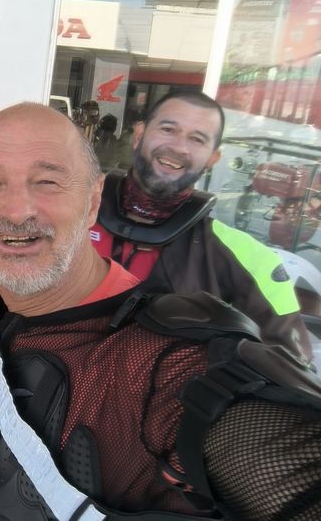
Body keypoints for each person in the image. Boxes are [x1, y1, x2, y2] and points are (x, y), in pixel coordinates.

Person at [0, 103, 321, 520]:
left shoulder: (169, 363)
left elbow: (270, 452)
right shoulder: (9, 314)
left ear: (93, 201)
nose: (17, 211)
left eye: (48, 181)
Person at [90, 91, 313, 362]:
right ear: (138, 135)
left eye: (197, 139)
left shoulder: (254, 260)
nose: (179, 147)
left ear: (212, 159)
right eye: (168, 129)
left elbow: (292, 365)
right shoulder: (69, 215)